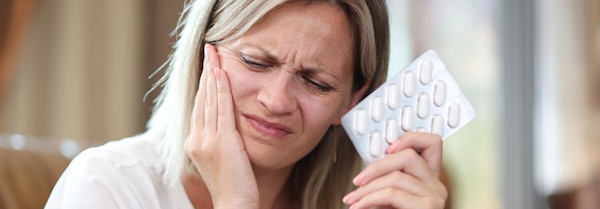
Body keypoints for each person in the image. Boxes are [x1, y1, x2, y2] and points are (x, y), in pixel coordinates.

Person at [45, 0, 448, 208]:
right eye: (257, 61)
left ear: (353, 101)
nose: (275, 101)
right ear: (204, 55)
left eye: (315, 83)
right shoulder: (108, 186)